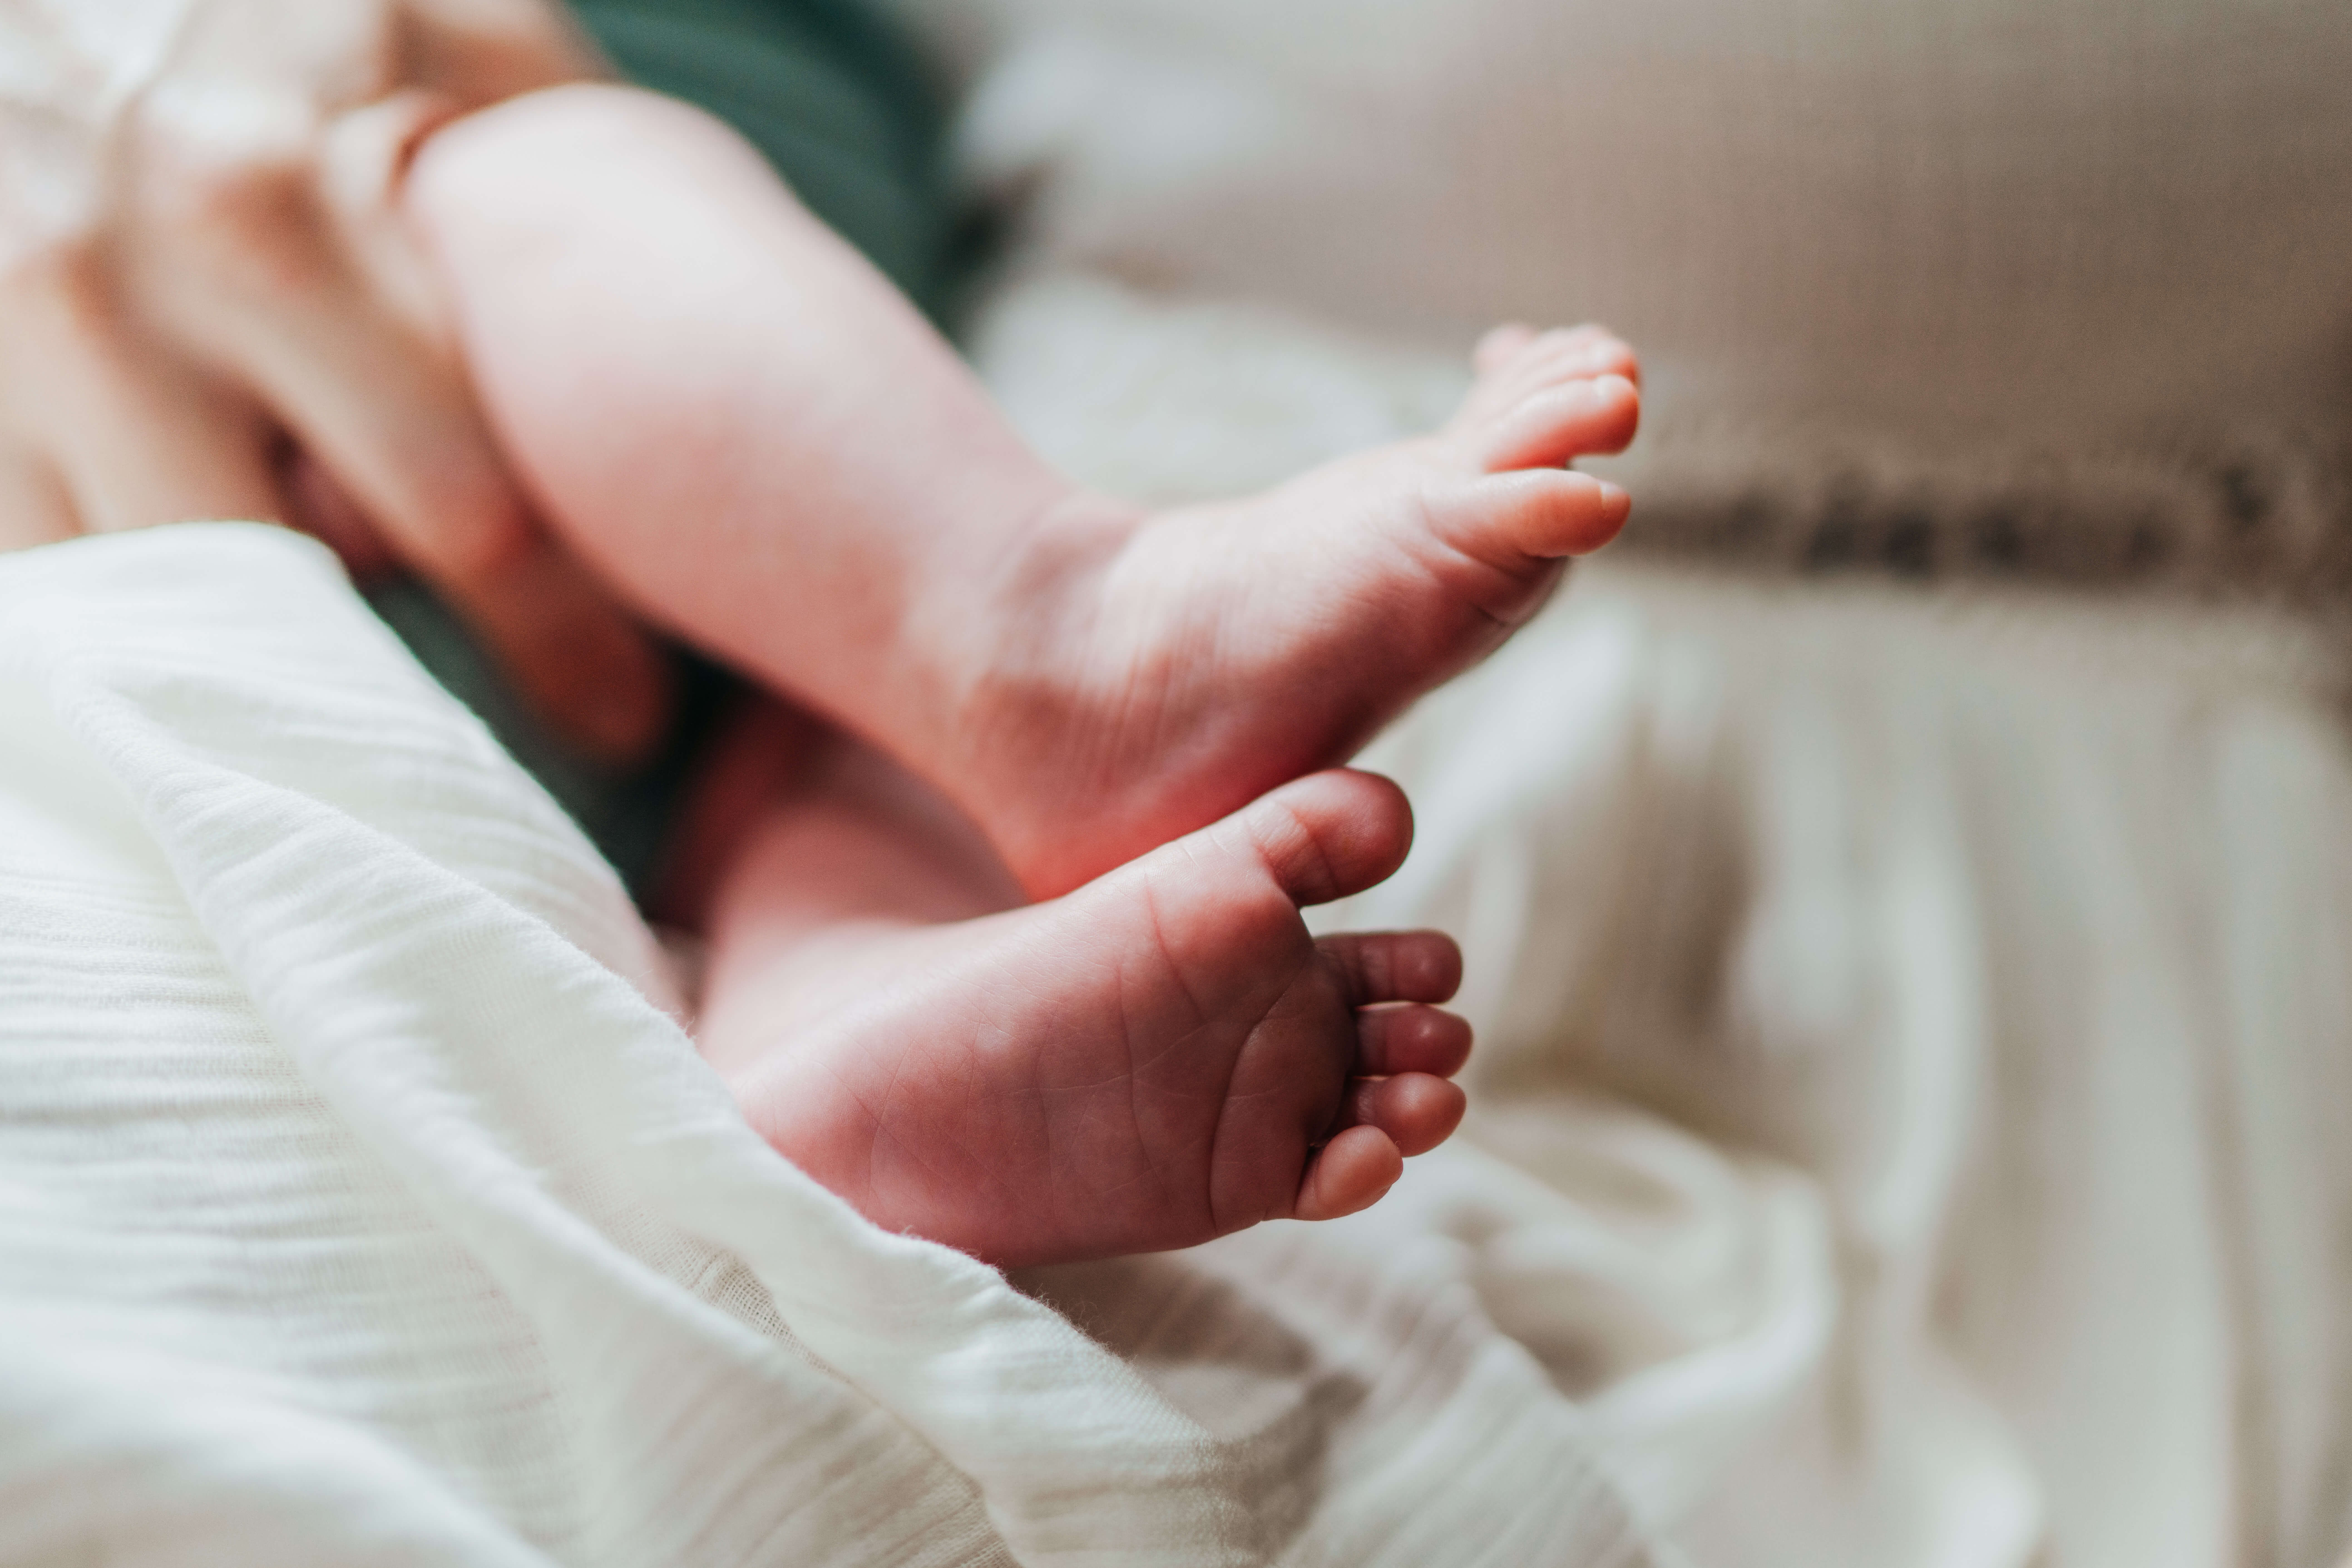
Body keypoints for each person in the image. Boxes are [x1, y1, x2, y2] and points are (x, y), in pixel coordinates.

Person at [397, 83, 1640, 1264]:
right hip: (423, 522)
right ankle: (1047, 641)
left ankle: (825, 1031)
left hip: (689, 686)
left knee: (858, 798)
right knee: (525, 166)